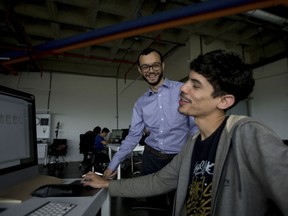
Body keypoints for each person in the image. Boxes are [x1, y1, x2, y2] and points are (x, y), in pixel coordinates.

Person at [82, 49, 288, 216]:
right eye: (187, 81)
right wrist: (108, 182)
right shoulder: (192, 146)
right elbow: (158, 181)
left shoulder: (249, 134)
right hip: (154, 157)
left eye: (195, 85)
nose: (182, 88)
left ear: (224, 101)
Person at [104, 48, 198, 211]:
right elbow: (133, 136)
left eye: (155, 65)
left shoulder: (182, 90)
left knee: (182, 205)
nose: (151, 70)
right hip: (152, 160)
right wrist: (113, 164)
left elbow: (196, 127)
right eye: (145, 67)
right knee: (155, 208)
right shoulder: (141, 103)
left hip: (180, 159)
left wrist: (197, 155)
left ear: (162, 66)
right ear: (140, 70)